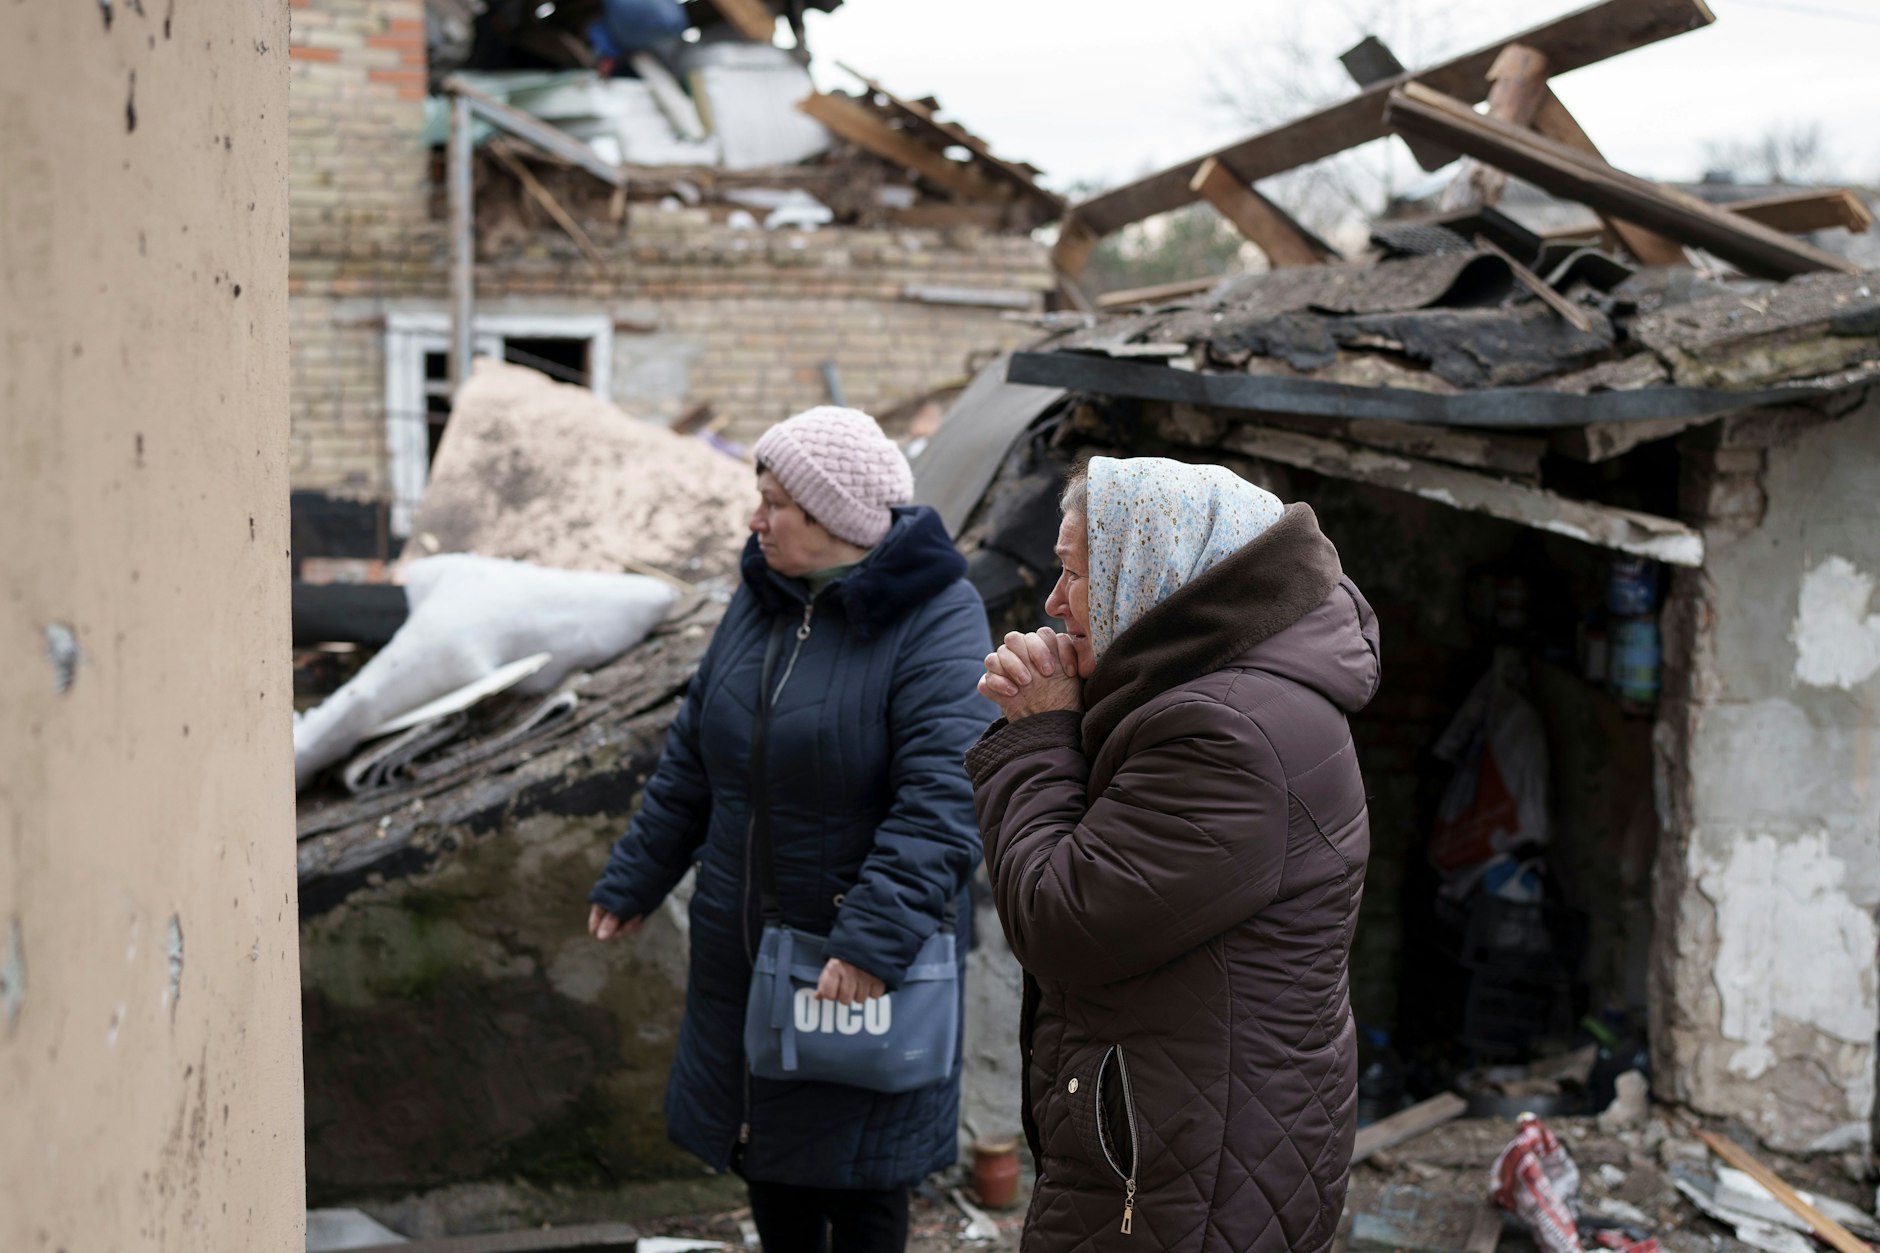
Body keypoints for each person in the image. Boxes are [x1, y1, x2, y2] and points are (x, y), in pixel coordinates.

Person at [587, 406, 990, 1253]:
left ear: (837, 519)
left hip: (854, 962)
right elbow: (695, 755)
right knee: (768, 1157)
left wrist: (872, 941)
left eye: (775, 503)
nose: (754, 518)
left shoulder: (938, 617)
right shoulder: (761, 601)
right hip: (745, 950)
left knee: (865, 1178)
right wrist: (637, 874)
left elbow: (946, 795)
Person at [965, 456, 1379, 1253]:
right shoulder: (1210, 693)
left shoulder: (1227, 731)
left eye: (1076, 575)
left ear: (1149, 574)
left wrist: (1038, 735)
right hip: (1189, 1127)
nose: (1053, 604)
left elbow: (1062, 916)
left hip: (1190, 1160)